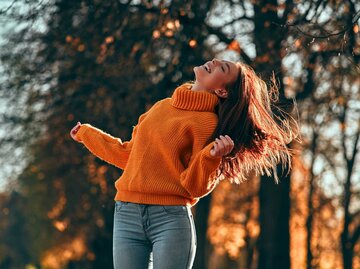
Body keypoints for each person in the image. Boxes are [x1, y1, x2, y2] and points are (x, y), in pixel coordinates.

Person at [70, 58, 299, 269]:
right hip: (126, 214)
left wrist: (210, 158)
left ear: (221, 90)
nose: (216, 60)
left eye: (224, 68)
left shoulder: (208, 124)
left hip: (170, 219)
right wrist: (87, 134)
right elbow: (129, 155)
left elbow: (194, 186)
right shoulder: (161, 107)